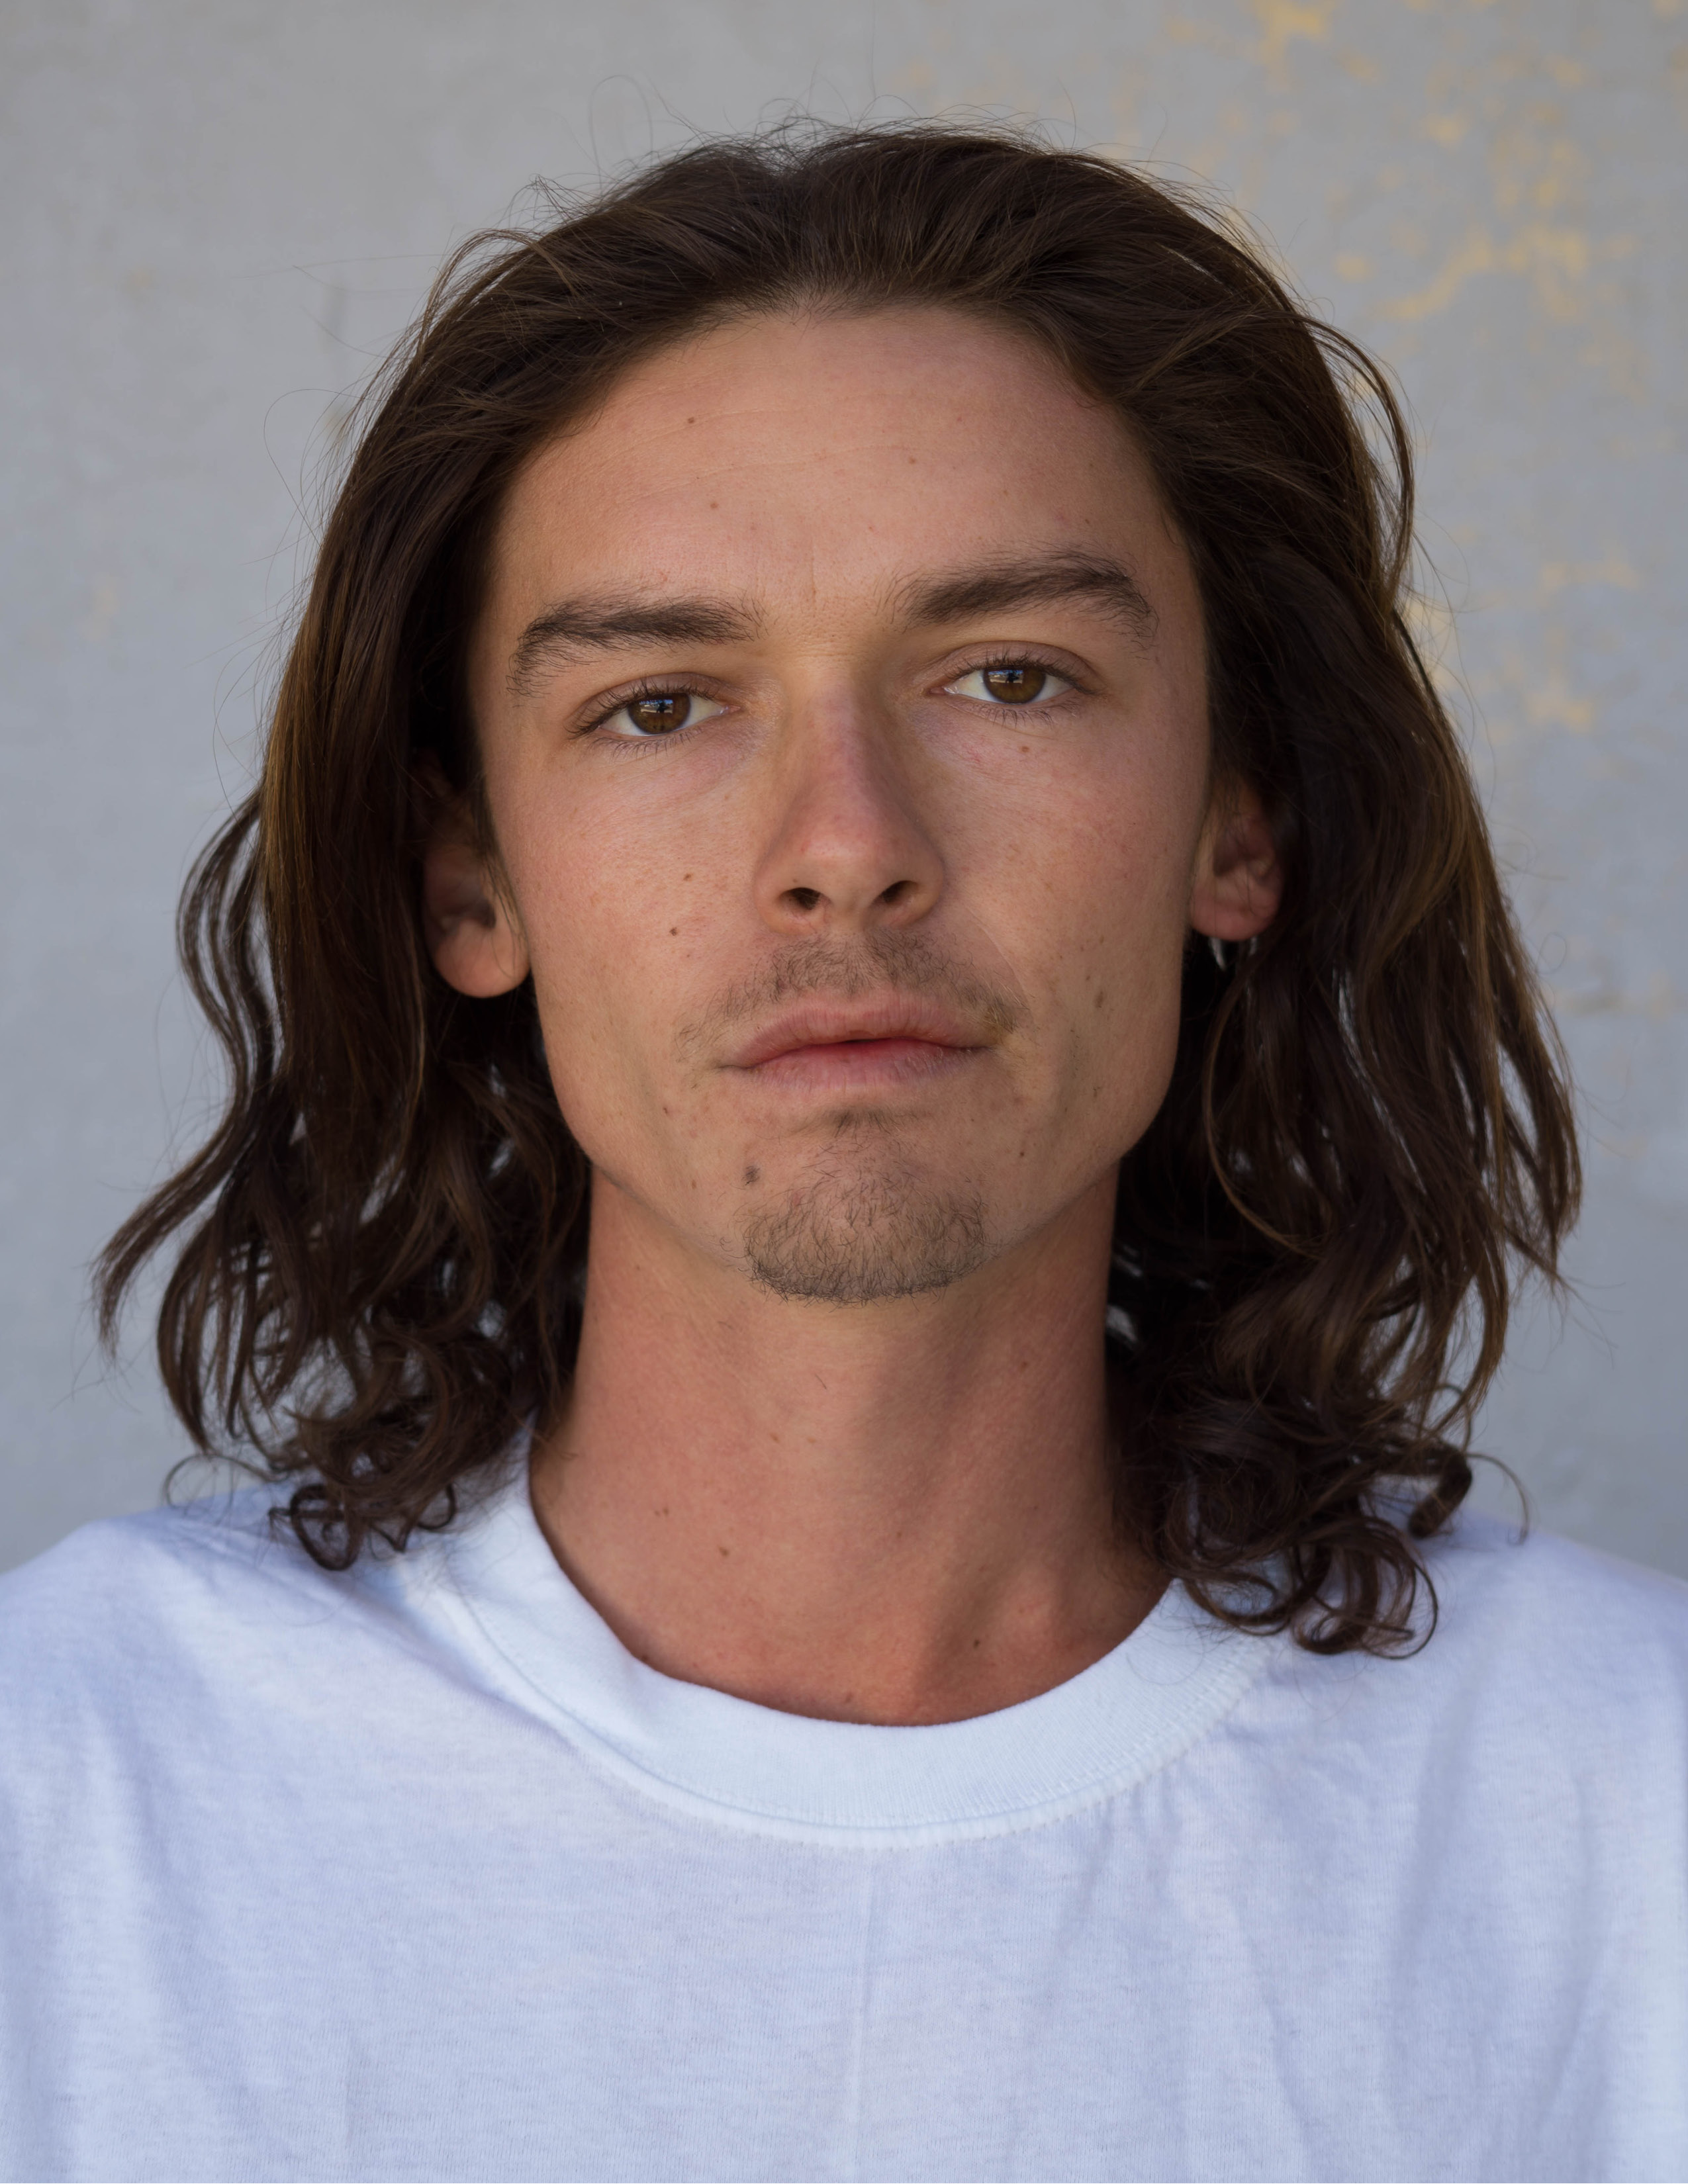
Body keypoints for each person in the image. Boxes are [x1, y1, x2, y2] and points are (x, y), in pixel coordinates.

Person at [2, 121, 1683, 2183]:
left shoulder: (1625, 1817)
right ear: (469, 873)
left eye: (1009, 677)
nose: (846, 848)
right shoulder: (73, 1792)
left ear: (1238, 821)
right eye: (660, 704)